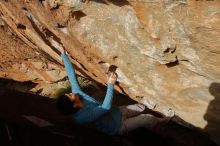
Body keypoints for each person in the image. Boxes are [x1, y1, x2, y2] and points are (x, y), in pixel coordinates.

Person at [55, 45, 174, 135]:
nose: (71, 93)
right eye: (70, 96)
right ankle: (163, 121)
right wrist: (110, 84)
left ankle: (155, 113)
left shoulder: (77, 93)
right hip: (118, 126)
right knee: (145, 118)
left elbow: (71, 76)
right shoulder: (83, 118)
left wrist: (63, 55)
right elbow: (105, 107)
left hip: (118, 111)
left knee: (140, 107)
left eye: (68, 93)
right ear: (74, 105)